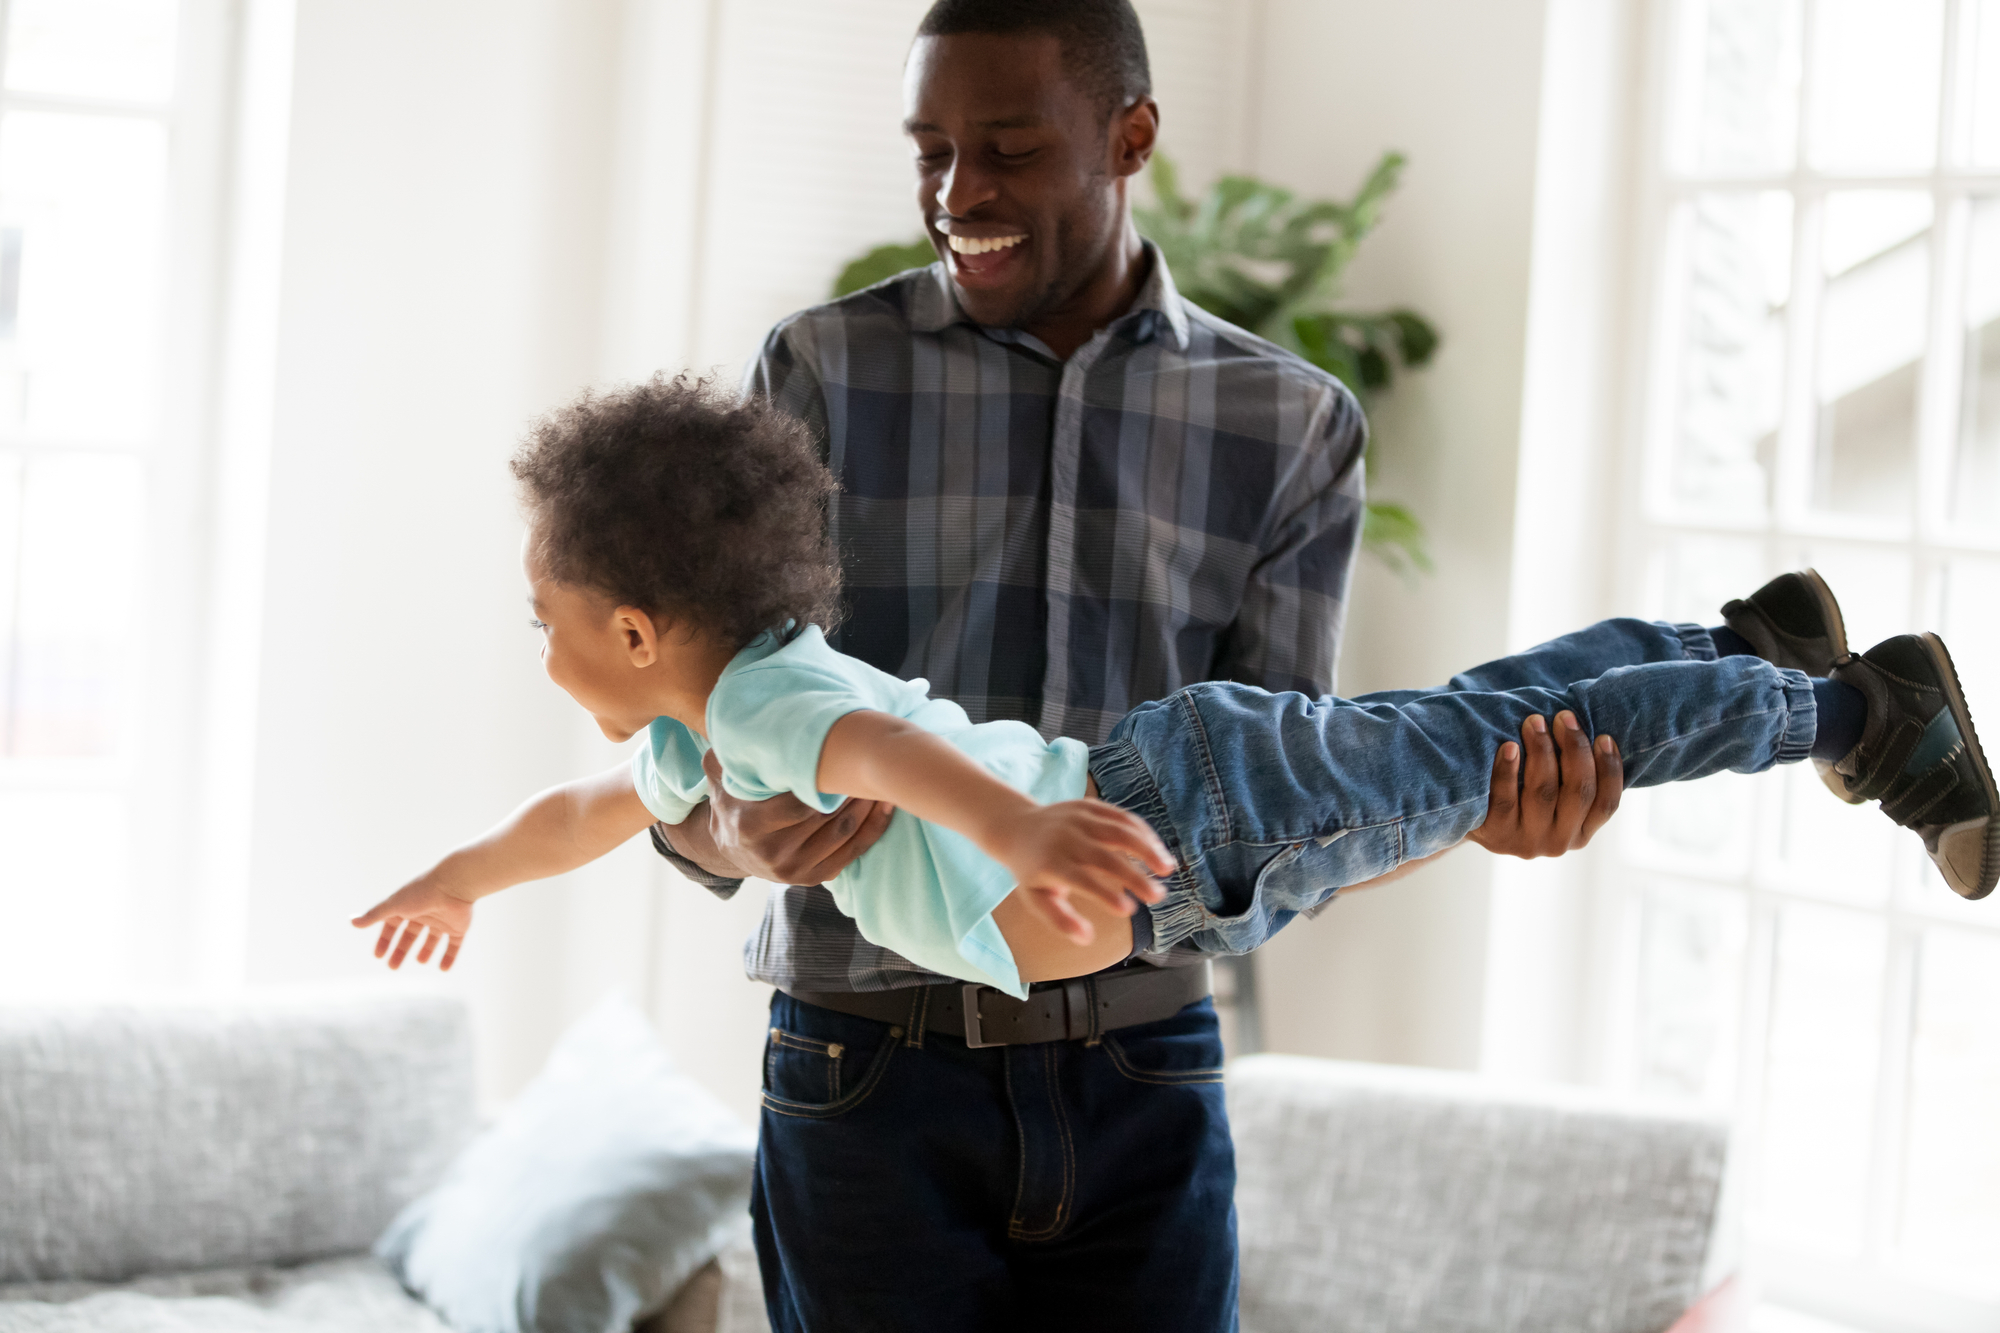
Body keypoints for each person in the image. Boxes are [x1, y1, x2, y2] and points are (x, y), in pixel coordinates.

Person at [636, 2, 1619, 1328]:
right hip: (864, 1072)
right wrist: (729, 832)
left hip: (1143, 1075)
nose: (957, 192)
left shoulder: (1292, 426)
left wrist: (1475, 818)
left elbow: (1278, 808)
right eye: (930, 149)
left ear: (1131, 135)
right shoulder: (819, 373)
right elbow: (687, 723)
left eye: (1009, 148)